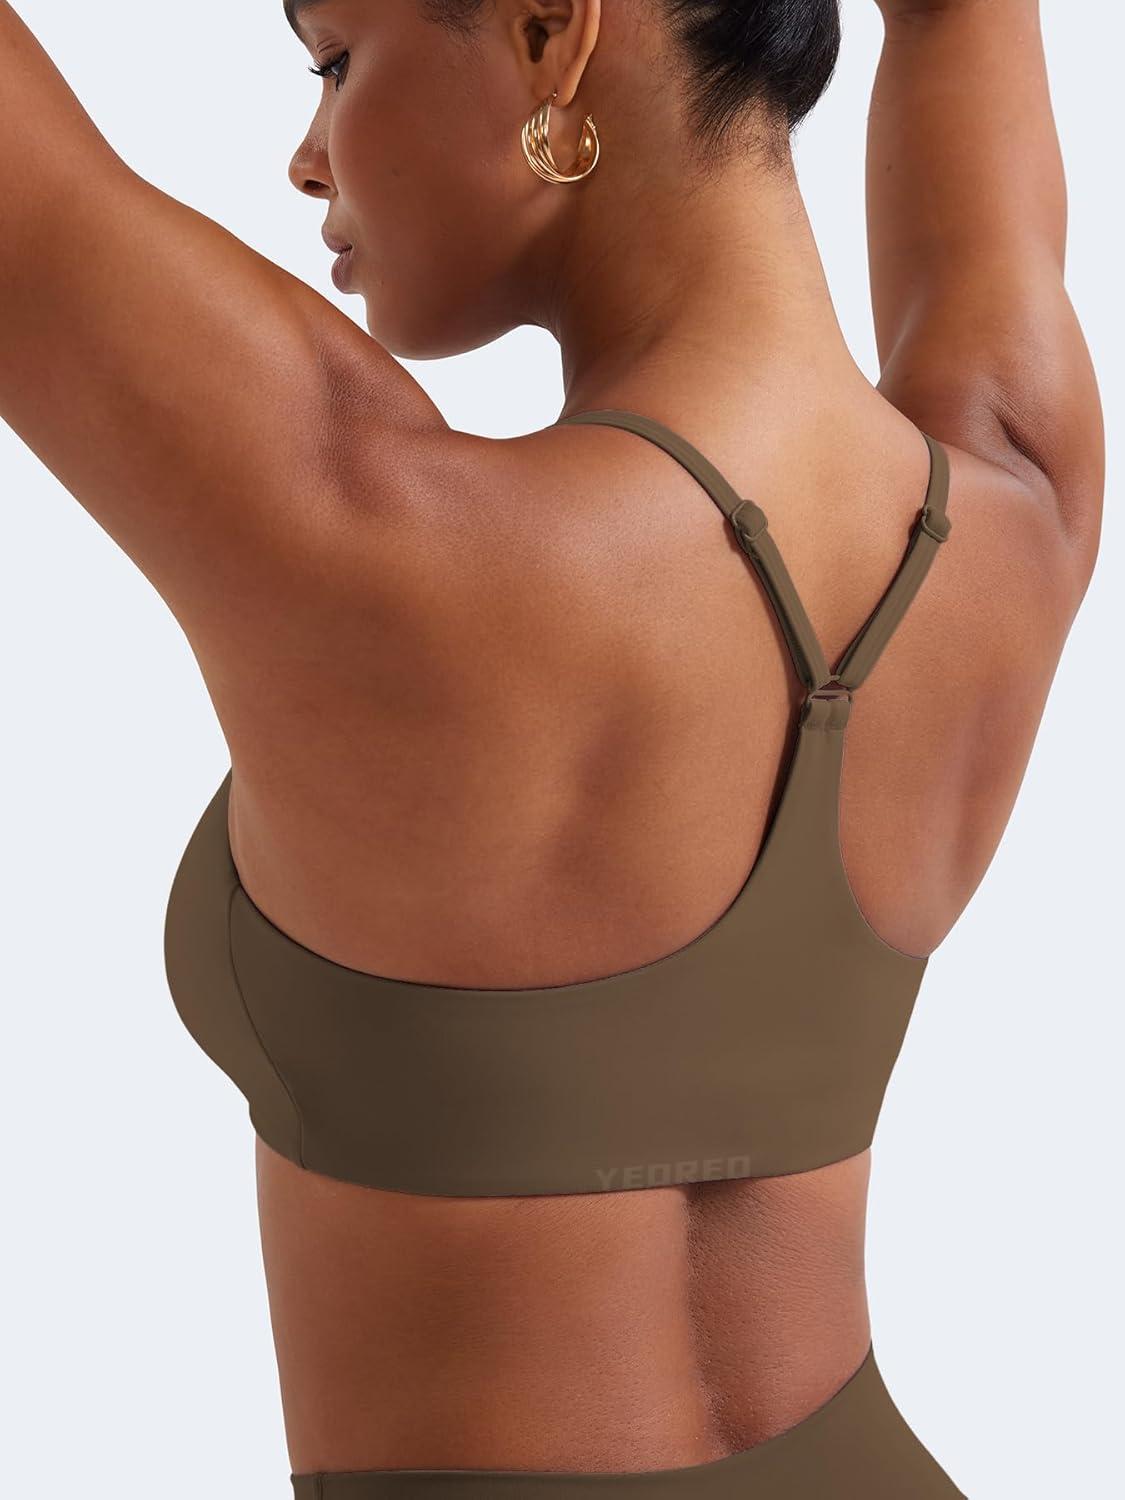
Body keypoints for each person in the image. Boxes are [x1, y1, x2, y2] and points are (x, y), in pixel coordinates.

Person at [0, 0, 1103, 1495]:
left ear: (549, 33)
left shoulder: (381, 536)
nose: (307, 156)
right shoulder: (1018, 494)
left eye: (336, 62)